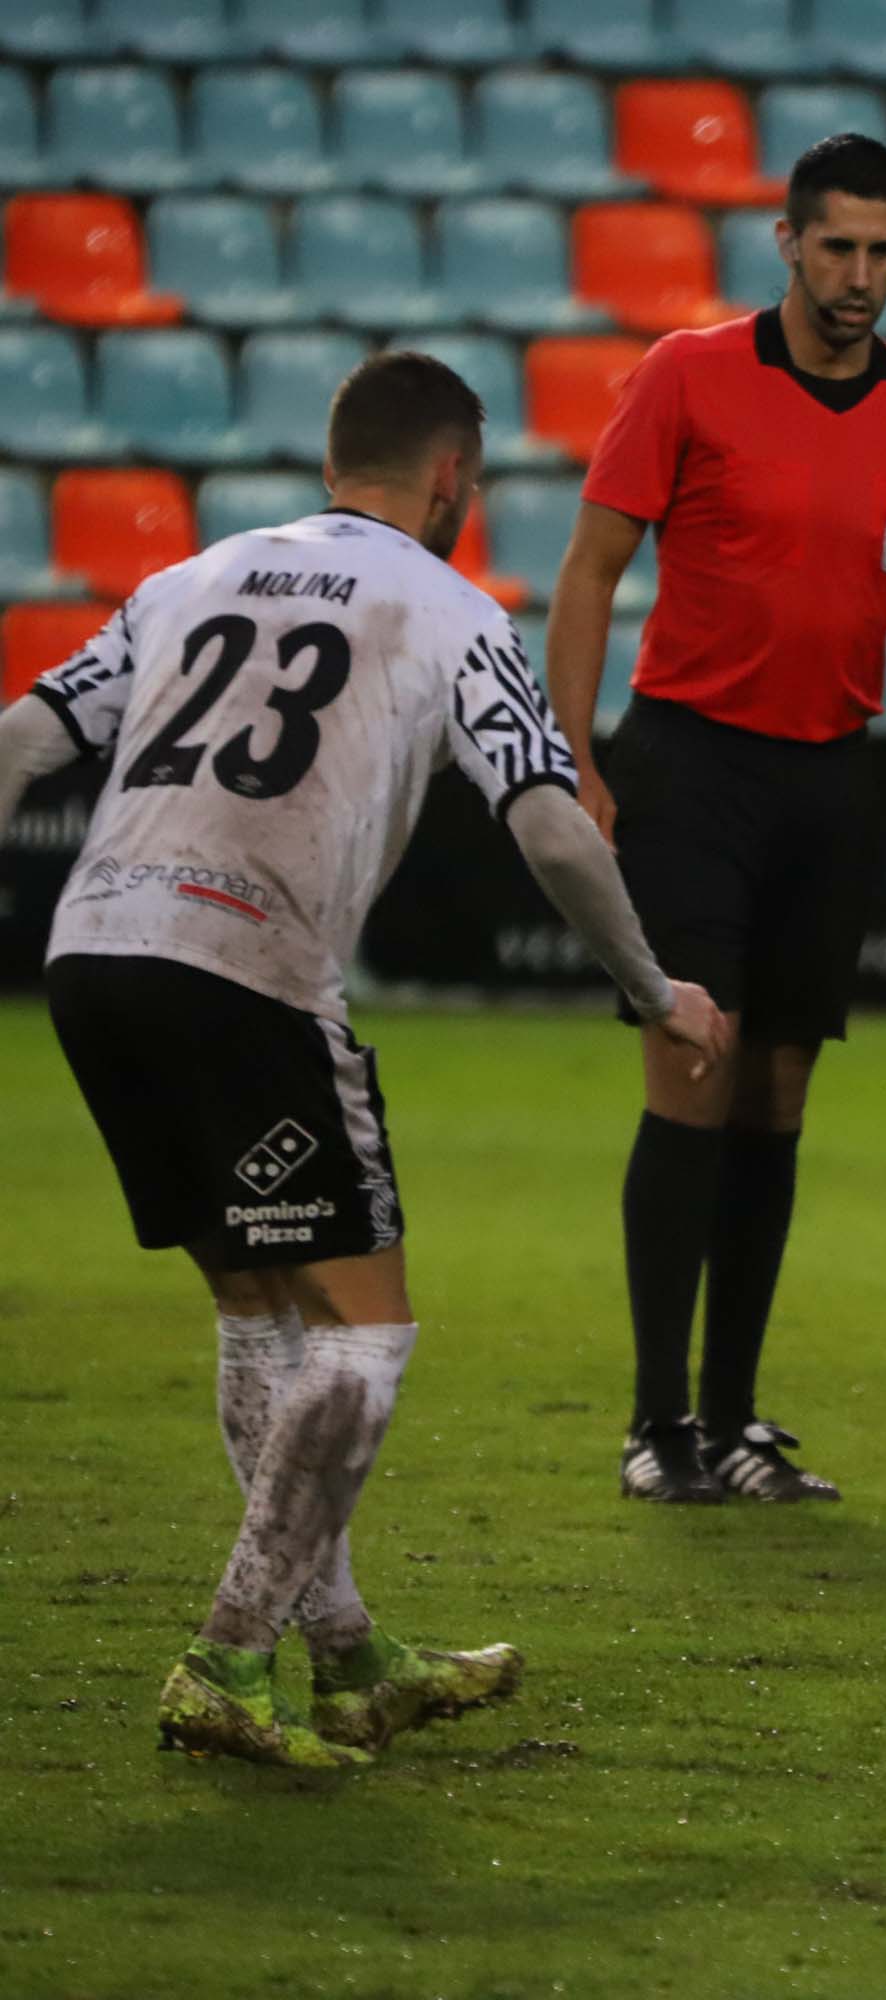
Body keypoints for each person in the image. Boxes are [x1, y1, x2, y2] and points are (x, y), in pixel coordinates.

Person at [0, 352, 729, 1768]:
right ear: (452, 477)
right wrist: (652, 987)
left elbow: (25, 738)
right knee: (364, 1331)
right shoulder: (453, 608)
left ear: (338, 459)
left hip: (92, 961)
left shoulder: (188, 579)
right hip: (248, 973)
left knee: (267, 1312)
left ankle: (346, 1656)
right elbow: (557, 824)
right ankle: (227, 1653)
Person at [545, 132, 886, 1506]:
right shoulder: (686, 374)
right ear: (788, 244)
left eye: (885, 252)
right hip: (688, 765)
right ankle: (652, 1422)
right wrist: (571, 755)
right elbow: (592, 567)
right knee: (693, 1056)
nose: (863, 277)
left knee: (781, 1091)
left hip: (828, 778)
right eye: (841, 247)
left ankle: (734, 1424)